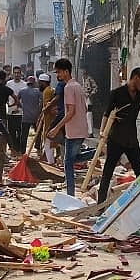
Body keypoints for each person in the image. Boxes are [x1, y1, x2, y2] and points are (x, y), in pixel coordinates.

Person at [97, 67, 140, 204]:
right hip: (116, 138)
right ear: (136, 77)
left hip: (131, 138)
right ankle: (100, 203)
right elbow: (107, 113)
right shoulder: (117, 93)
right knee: (108, 171)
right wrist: (102, 133)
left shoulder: (139, 95)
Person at [49, 58, 89, 196]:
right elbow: (83, 107)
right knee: (72, 159)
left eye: (59, 72)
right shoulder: (77, 86)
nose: (57, 75)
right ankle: (96, 153)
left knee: (68, 163)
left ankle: (70, 194)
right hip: (80, 128)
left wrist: (56, 128)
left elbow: (70, 112)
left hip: (73, 130)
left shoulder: (69, 88)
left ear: (66, 71)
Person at [6, 66, 29, 154]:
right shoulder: (9, 84)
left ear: (21, 74)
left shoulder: (25, 84)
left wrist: (20, 107)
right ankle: (14, 149)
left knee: (20, 132)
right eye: (15, 73)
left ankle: (20, 150)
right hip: (11, 111)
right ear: (12, 74)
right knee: (11, 132)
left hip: (21, 112)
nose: (16, 75)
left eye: (18, 73)